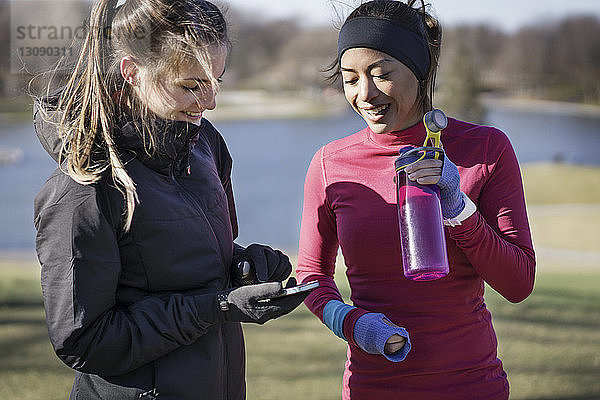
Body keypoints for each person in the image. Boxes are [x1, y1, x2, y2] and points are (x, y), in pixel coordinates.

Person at [33, 1, 308, 399]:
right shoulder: (83, 188)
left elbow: (190, 260)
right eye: (190, 86)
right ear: (132, 72)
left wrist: (244, 267)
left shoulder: (206, 144)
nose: (210, 102)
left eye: (216, 81)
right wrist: (218, 307)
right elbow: (85, 340)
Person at [296, 1, 536, 399]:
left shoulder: (485, 149)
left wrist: (459, 210)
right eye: (350, 79)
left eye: (381, 74)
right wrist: (351, 323)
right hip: (373, 385)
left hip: (472, 384)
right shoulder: (329, 163)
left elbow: (519, 283)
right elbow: (311, 274)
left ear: (419, 69)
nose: (365, 94)